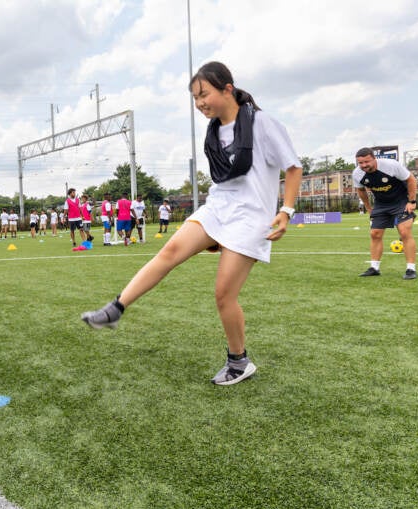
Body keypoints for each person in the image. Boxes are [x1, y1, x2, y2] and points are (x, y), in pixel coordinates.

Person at [81, 61, 302, 386]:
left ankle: (239, 362)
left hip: (251, 216)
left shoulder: (263, 123)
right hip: (218, 207)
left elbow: (293, 167)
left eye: (203, 95)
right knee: (170, 251)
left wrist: (286, 211)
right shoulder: (214, 130)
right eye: (195, 98)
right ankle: (116, 309)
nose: (199, 103)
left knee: (224, 295)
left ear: (227, 88)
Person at [353, 148, 417, 280]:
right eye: (360, 163)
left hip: (401, 201)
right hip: (381, 204)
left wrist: (412, 201)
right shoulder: (357, 173)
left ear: (374, 158)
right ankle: (374, 268)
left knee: (404, 232)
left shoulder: (391, 165)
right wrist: (369, 208)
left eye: (367, 162)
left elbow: (411, 180)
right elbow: (361, 191)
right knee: (375, 234)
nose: (364, 165)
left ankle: (411, 269)